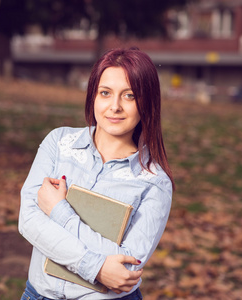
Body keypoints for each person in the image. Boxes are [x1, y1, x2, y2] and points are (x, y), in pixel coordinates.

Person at [19, 47, 174, 300]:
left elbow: (127, 267)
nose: (115, 106)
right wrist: (98, 267)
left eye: (130, 96)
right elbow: (29, 222)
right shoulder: (58, 143)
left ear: (147, 103)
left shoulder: (154, 182)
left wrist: (59, 211)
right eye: (105, 93)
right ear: (93, 96)